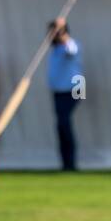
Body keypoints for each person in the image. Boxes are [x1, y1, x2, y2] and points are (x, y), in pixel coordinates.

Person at [47, 18, 82, 171]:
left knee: (64, 122)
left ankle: (71, 163)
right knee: (61, 125)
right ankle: (65, 162)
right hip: (59, 91)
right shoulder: (54, 50)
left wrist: (62, 32)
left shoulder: (71, 45)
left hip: (74, 88)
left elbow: (72, 50)